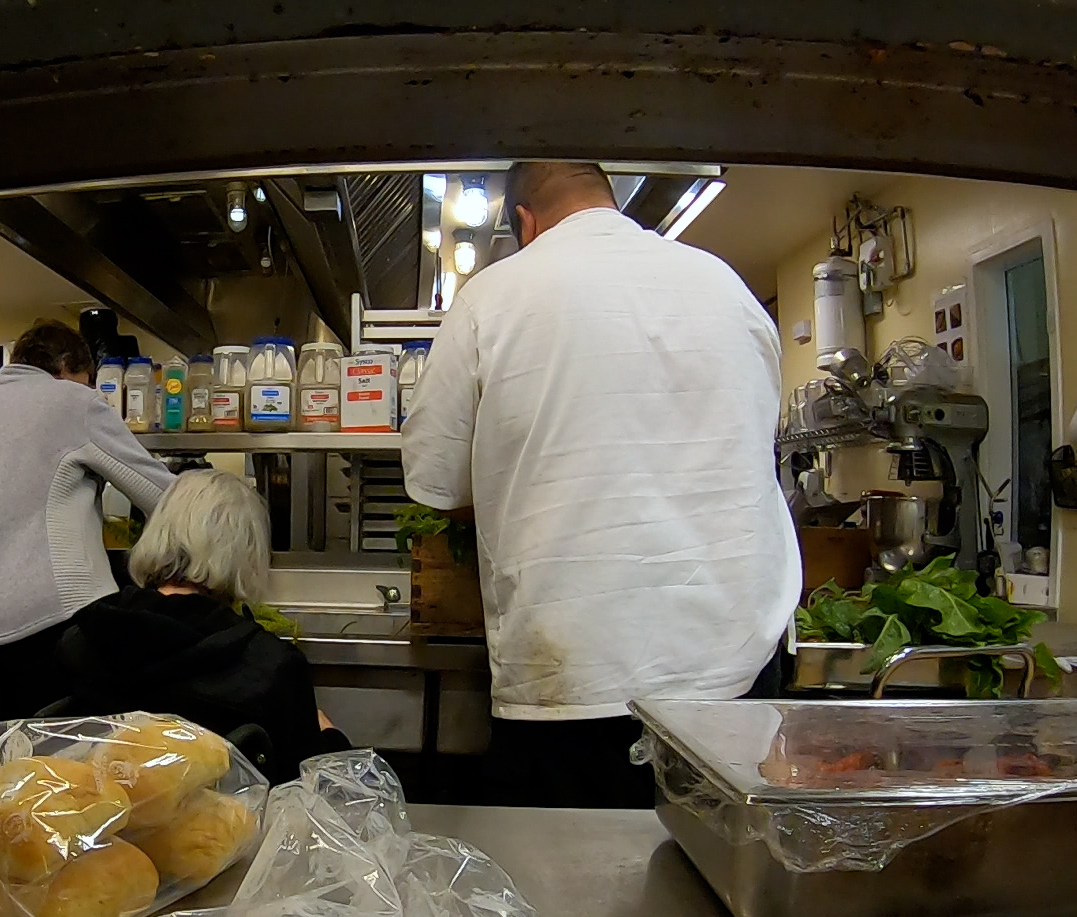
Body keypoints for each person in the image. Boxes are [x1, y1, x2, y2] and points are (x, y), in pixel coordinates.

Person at [401, 161, 797, 809]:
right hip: (735, 669)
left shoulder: (494, 297)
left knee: (578, 887)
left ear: (524, 221)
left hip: (577, 673)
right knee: (717, 883)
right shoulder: (725, 285)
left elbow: (436, 483)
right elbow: (750, 450)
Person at [0, 320, 176, 726]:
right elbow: (165, 496)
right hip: (49, 630)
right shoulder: (75, 402)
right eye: (87, 380)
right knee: (59, 779)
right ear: (68, 367)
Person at [55, 470, 350, 782]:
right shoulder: (273, 668)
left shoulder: (81, 642)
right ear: (248, 555)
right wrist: (330, 738)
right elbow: (313, 798)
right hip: (231, 831)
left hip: (108, 828)